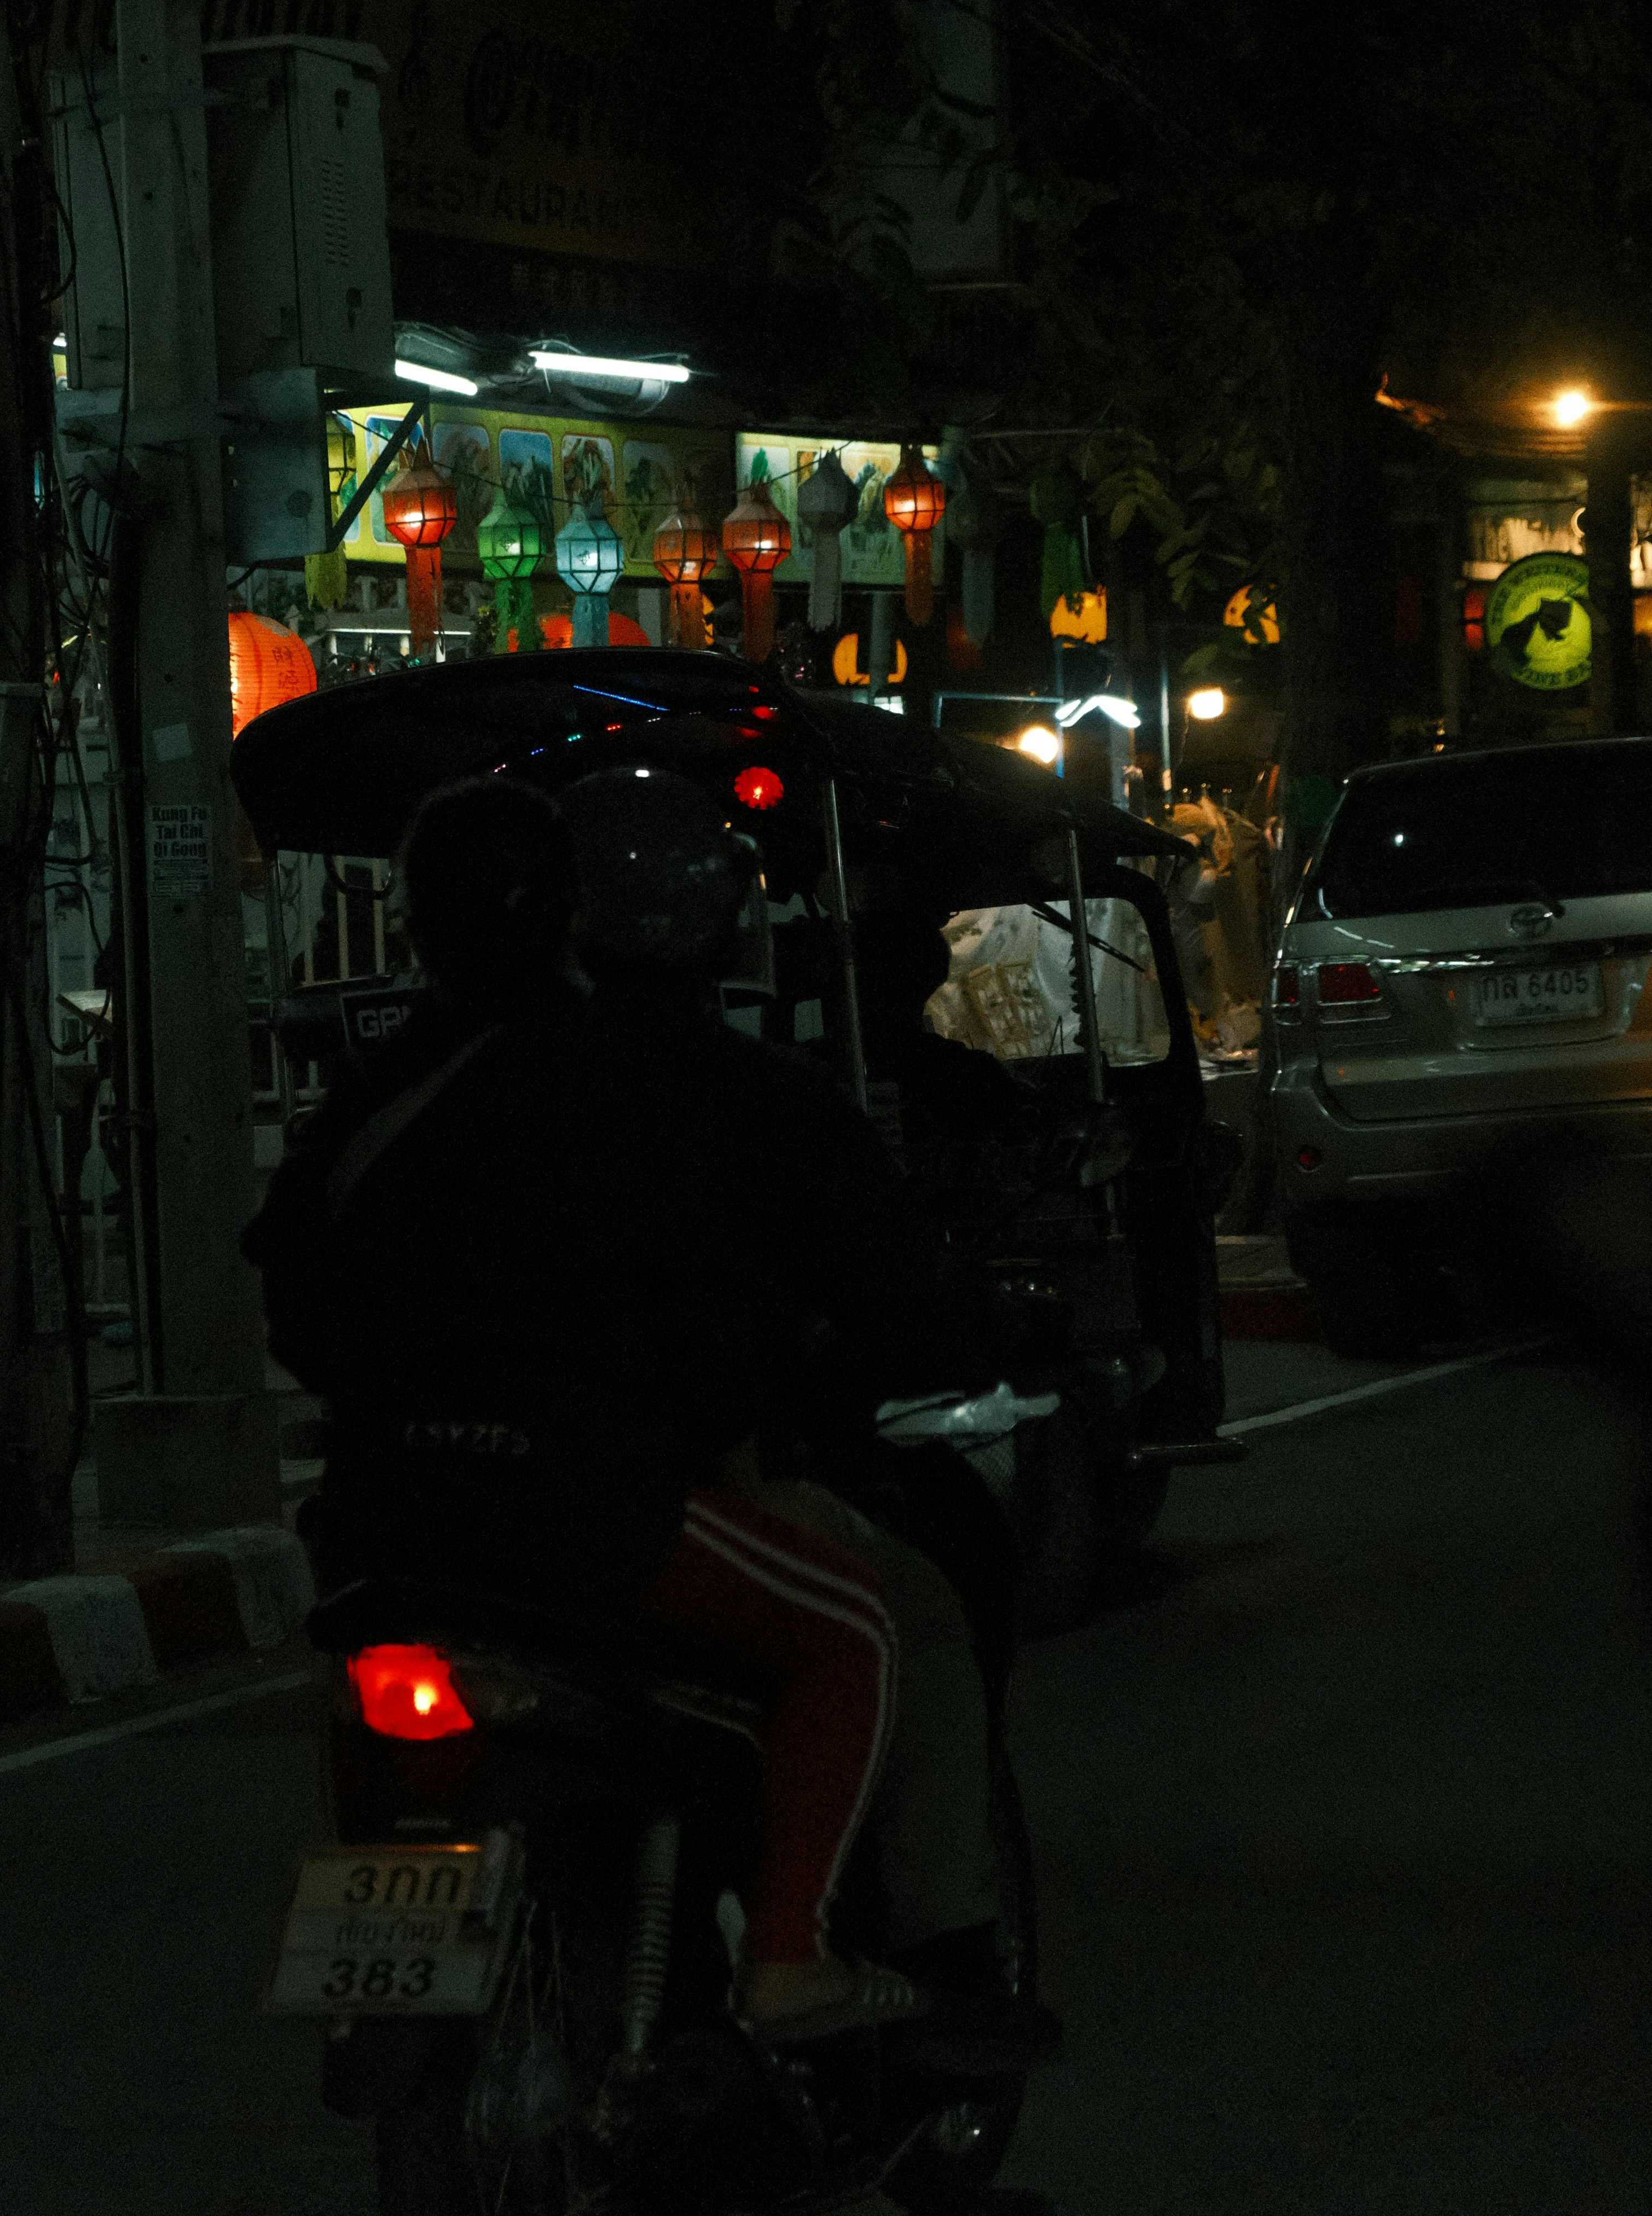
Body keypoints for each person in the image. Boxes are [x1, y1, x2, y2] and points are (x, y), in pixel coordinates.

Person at [242, 772, 921, 2047]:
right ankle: (791, 1961)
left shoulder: (380, 1089)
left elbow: (295, 1290)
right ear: (571, 918)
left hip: (386, 1517)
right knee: (859, 1634)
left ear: (413, 927)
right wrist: (724, 1428)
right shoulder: (636, 1077)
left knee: (367, 1685)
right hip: (586, 1508)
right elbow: (703, 1298)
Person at [561, 763, 1061, 2069]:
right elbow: (899, 1292)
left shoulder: (457, 1087)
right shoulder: (748, 1102)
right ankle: (903, 1947)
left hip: (406, 1508)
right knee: (895, 1623)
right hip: (632, 1493)